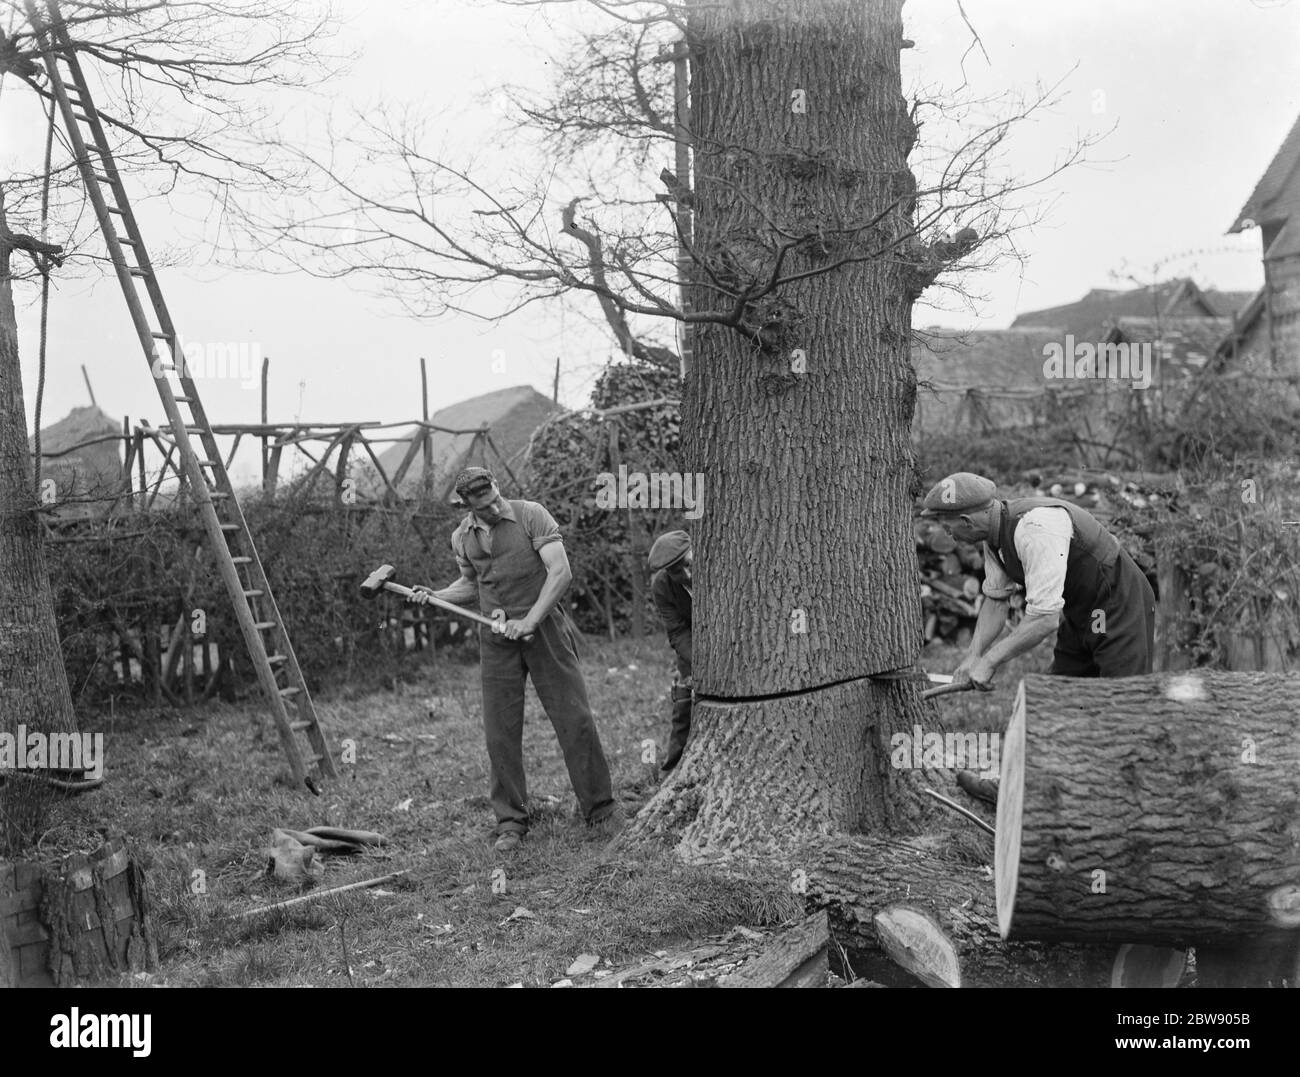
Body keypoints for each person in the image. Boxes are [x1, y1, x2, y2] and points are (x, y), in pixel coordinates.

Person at [411, 467, 618, 852]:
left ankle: (600, 809)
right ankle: (511, 821)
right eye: (484, 507)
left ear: (497, 488)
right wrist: (435, 594)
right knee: (500, 733)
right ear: (466, 506)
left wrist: (531, 621)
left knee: (575, 717)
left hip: (545, 630)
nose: (494, 507)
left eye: (495, 499)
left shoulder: (530, 514)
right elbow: (470, 585)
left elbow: (560, 572)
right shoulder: (462, 537)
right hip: (496, 639)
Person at [919, 471, 1156, 801]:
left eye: (947, 526)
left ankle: (1127, 800)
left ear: (966, 520)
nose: (947, 534)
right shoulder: (993, 537)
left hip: (1118, 606)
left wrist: (991, 660)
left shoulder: (1035, 528)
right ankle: (1025, 789)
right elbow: (996, 599)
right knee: (1056, 701)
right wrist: (974, 655)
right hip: (1080, 612)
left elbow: (1044, 620)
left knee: (1123, 707)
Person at [647, 530, 693, 772]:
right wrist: (701, 664)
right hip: (692, 649)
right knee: (684, 701)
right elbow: (676, 632)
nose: (686, 575)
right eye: (676, 571)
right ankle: (671, 771)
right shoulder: (662, 587)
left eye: (687, 564)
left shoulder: (720, 566)